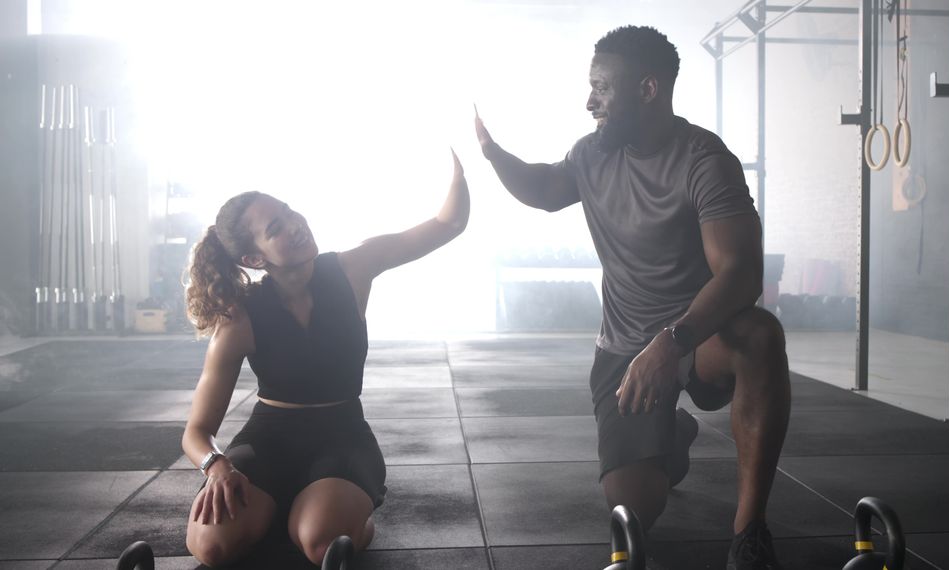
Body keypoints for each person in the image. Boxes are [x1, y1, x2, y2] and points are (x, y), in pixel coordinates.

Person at [474, 26, 790, 570]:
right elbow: (548, 190)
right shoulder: (593, 153)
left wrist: (672, 341)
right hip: (624, 345)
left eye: (601, 87)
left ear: (648, 88)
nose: (588, 101)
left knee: (761, 335)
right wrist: (491, 152)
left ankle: (749, 530)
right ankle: (673, 438)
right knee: (633, 511)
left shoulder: (704, 160)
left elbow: (741, 274)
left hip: (699, 335)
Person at [180, 152, 470, 566]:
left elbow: (447, 224)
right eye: (276, 228)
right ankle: (285, 512)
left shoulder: (353, 269)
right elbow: (196, 431)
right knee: (211, 547)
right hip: (267, 441)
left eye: (288, 212)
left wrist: (463, 168)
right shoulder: (239, 319)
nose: (296, 224)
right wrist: (217, 467)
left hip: (342, 436)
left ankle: (337, 515)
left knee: (321, 544)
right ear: (254, 259)